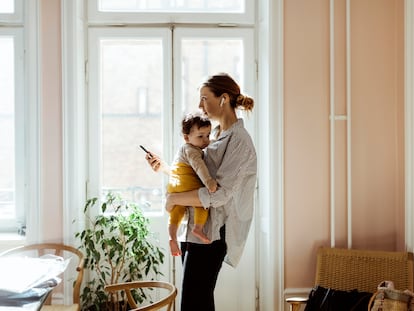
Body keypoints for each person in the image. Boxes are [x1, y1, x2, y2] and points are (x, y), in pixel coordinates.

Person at [145, 73, 257, 311]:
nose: (199, 105)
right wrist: (164, 167)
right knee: (198, 303)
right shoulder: (215, 136)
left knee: (193, 303)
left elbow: (218, 195)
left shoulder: (239, 141)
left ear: (224, 99)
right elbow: (195, 178)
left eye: (204, 98)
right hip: (197, 231)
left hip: (213, 235)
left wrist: (173, 198)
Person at [167, 112, 217, 257]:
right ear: (186, 137)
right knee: (203, 201)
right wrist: (209, 182)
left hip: (174, 187)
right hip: (188, 185)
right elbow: (199, 166)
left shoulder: (183, 150)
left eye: (208, 135)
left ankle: (172, 237)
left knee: (175, 215)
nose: (206, 140)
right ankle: (198, 228)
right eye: (200, 136)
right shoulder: (192, 150)